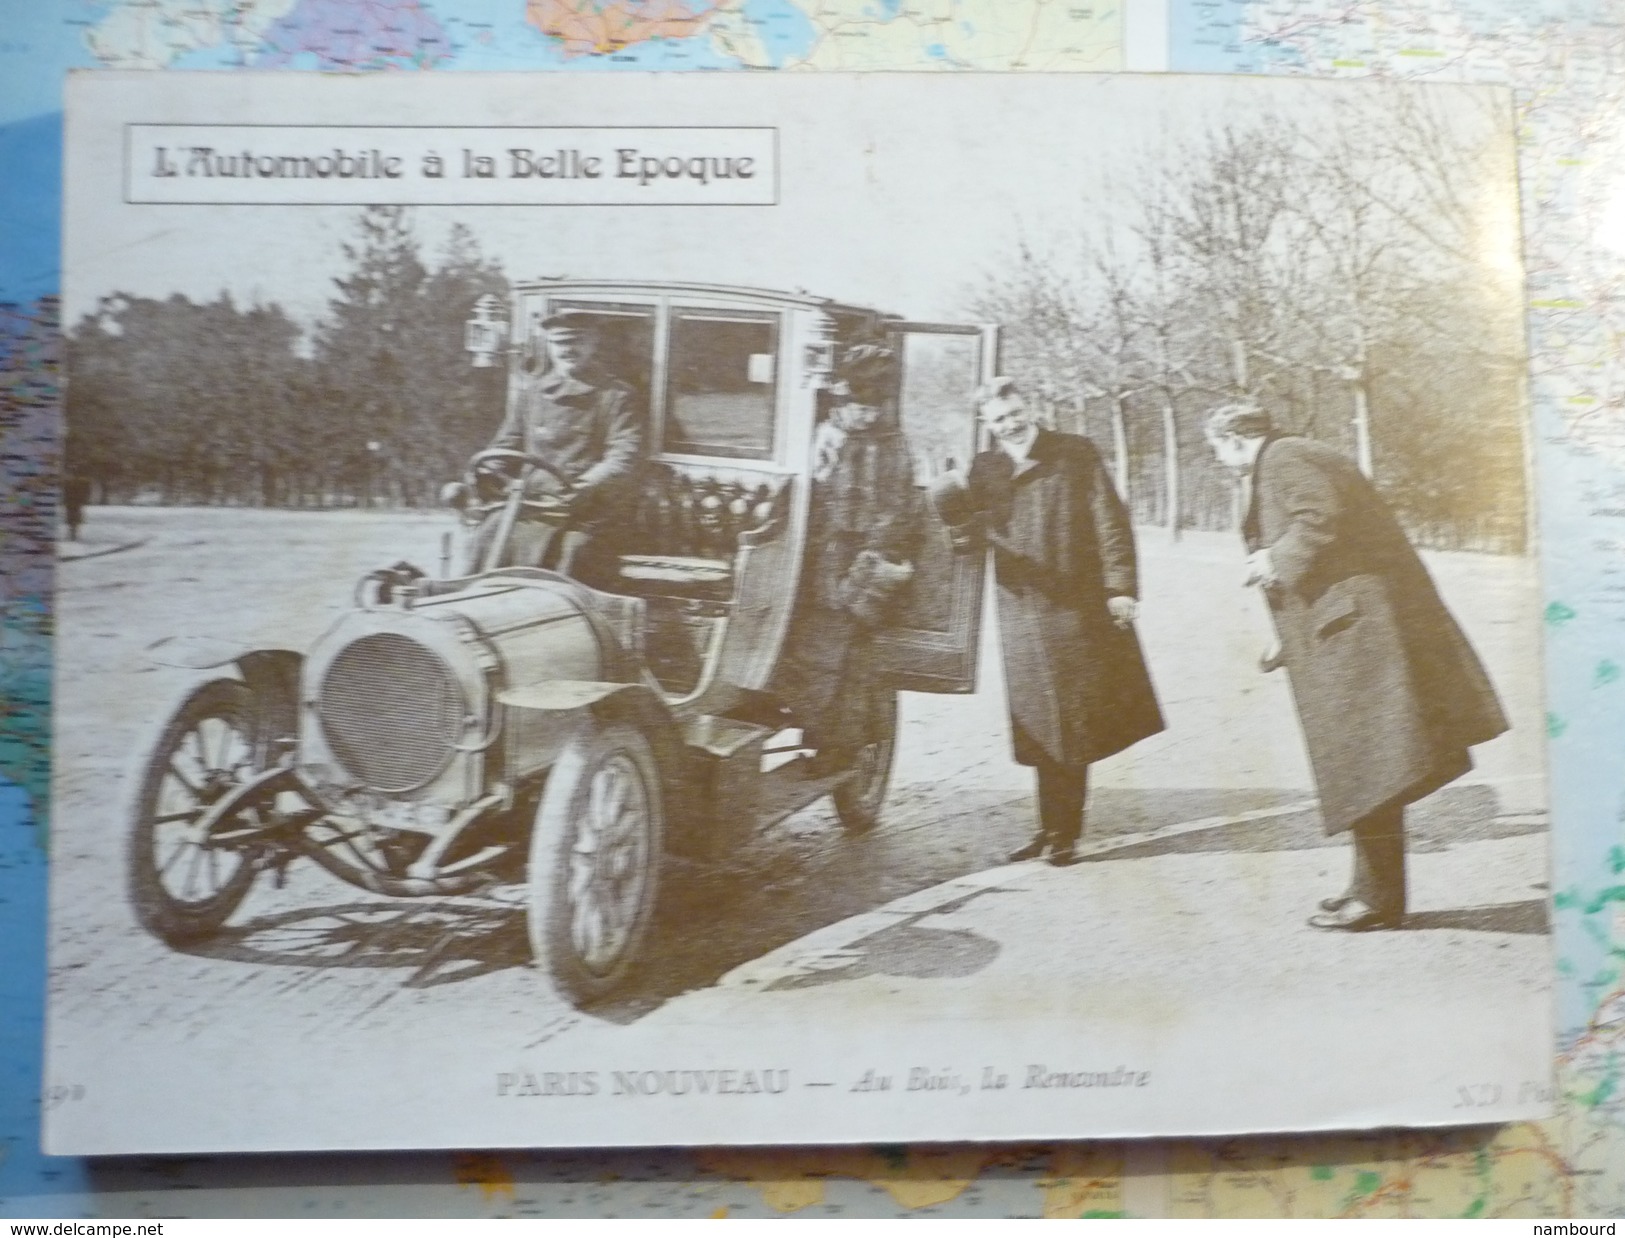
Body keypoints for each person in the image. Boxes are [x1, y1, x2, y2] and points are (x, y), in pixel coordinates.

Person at [1203, 402, 1510, 931]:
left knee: (1369, 767)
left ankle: (1377, 900)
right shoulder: (1296, 454)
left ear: (1232, 437)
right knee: (1370, 767)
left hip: (1356, 632)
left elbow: (1322, 517)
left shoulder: (1283, 458)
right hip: (1348, 627)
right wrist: (1286, 638)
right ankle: (1367, 888)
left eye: (1215, 448)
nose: (1219, 460)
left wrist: (1275, 559)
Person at [934, 376, 1164, 865]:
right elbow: (971, 537)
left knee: (1073, 721)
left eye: (1015, 413)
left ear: (1029, 407)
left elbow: (1110, 521)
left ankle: (1066, 834)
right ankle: (1048, 827)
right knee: (1039, 721)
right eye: (999, 420)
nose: (1010, 425)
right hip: (1019, 608)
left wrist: (1120, 587)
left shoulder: (1074, 452)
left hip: (1073, 603)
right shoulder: (986, 467)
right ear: (986, 425)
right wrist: (954, 518)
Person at [770, 345, 923, 772]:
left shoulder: (894, 445)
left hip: (872, 564)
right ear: (843, 400)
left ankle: (841, 748)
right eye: (861, 406)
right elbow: (807, 498)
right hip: (822, 561)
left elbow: (904, 507)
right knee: (815, 655)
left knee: (853, 659)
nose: (869, 416)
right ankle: (817, 734)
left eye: (875, 407)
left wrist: (874, 556)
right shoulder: (824, 437)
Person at [464, 309, 644, 574]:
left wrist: (585, 485)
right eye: (560, 343)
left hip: (585, 508)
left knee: (574, 551)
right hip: (530, 504)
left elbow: (623, 455)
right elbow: (507, 444)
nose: (568, 349)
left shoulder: (615, 396)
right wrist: (488, 469)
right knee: (484, 538)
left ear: (593, 343)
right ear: (549, 345)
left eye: (577, 341)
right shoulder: (533, 393)